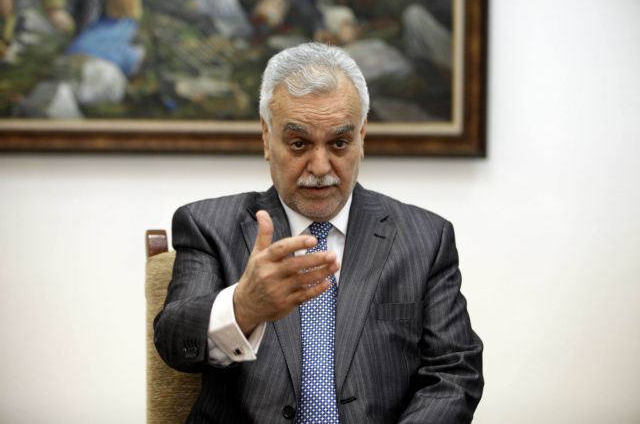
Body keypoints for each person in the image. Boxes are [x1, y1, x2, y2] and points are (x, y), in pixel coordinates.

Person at [154, 42, 483, 423]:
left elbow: (455, 370)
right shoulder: (208, 225)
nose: (321, 167)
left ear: (362, 137)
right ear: (266, 138)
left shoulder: (425, 238)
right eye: (299, 144)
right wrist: (243, 307)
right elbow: (173, 341)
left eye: (339, 143)